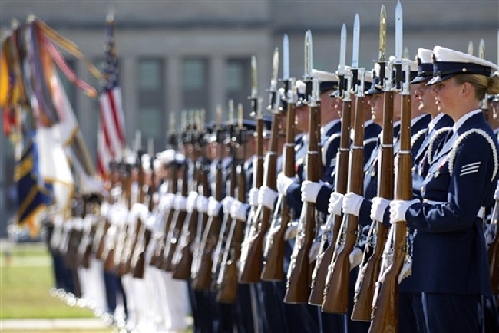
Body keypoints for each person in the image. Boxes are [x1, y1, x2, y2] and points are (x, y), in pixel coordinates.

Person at [386, 45, 499, 332]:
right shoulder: (454, 137)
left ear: (466, 90)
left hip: (452, 272)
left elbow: (459, 212)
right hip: (433, 269)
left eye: (442, 85)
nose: (433, 92)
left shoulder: (473, 139)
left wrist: (411, 213)